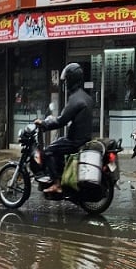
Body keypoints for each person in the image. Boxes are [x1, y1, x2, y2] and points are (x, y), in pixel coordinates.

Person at [40, 62, 95, 195]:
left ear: (71, 80)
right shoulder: (86, 97)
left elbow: (61, 121)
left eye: (66, 80)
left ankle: (56, 184)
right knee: (58, 146)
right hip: (84, 138)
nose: (65, 83)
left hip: (75, 140)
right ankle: (63, 176)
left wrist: (44, 124)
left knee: (48, 151)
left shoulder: (75, 99)